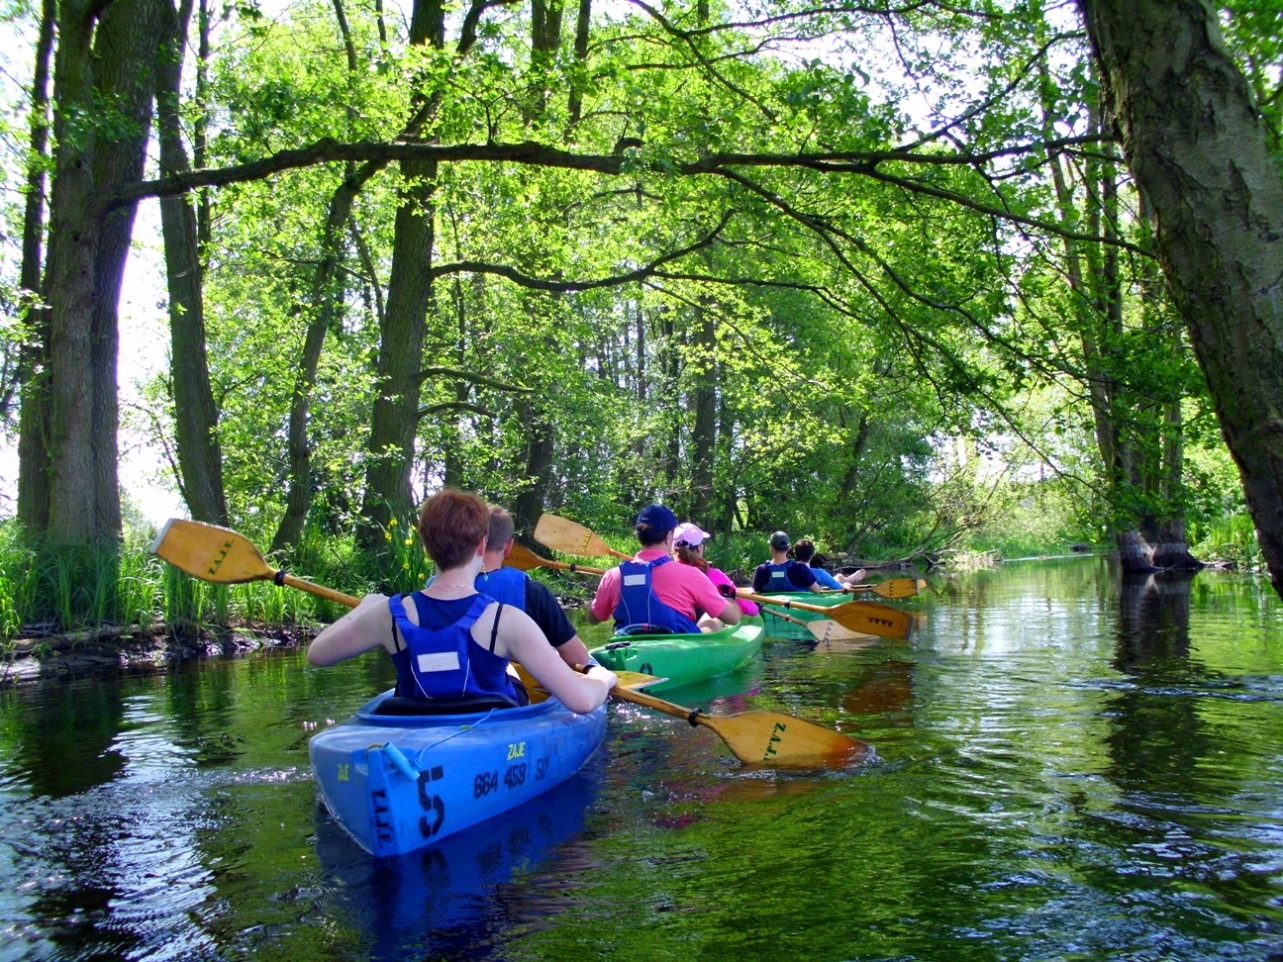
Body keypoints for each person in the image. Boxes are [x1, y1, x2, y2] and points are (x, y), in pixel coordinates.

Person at [307, 488, 617, 715]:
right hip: (490, 735)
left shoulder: (387, 615)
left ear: (427, 549)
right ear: (483, 545)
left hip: (415, 734)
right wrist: (603, 677)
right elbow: (582, 701)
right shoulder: (507, 621)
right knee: (510, 675)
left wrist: (364, 608)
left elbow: (317, 654)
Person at [588, 504, 742, 634]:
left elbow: (593, 618)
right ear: (669, 536)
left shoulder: (613, 576)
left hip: (628, 649)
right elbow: (732, 618)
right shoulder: (690, 575)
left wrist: (598, 597)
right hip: (679, 652)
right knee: (712, 615)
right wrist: (728, 597)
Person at [473, 505, 593, 670]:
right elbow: (578, 658)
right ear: (508, 547)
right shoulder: (533, 592)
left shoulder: (437, 591)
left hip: (462, 688)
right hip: (528, 692)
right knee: (591, 661)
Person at [672, 521, 760, 627]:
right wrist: (755, 606)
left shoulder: (668, 572)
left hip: (673, 627)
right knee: (725, 604)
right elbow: (751, 609)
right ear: (698, 548)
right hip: (697, 631)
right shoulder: (711, 574)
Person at [752, 530, 825, 593]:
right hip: (797, 608)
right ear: (789, 548)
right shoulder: (800, 568)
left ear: (771, 547)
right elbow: (818, 591)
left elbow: (755, 595)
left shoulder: (761, 570)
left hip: (769, 608)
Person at [793, 538, 866, 590]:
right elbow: (842, 589)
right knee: (842, 580)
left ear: (795, 554)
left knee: (839, 577)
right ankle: (850, 579)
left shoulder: (786, 569)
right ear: (811, 556)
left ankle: (849, 579)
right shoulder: (819, 573)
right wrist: (847, 586)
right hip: (824, 584)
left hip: (823, 584)